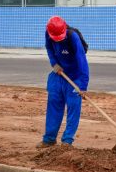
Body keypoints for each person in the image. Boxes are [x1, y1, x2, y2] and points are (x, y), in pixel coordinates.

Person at [38, 16, 89, 148]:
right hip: (59, 74)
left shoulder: (73, 37)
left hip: (75, 76)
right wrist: (54, 63)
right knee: (54, 104)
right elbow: (49, 48)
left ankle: (67, 141)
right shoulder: (48, 33)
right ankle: (49, 139)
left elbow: (82, 61)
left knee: (73, 107)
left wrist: (83, 85)